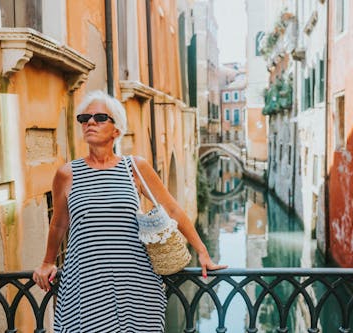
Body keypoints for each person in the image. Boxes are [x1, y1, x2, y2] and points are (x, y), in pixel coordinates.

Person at [33, 90, 226, 332]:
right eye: (84, 118)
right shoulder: (67, 174)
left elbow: (173, 210)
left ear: (117, 130)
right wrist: (48, 261)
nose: (90, 122)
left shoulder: (135, 167)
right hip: (86, 282)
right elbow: (59, 223)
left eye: (100, 117)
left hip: (136, 281)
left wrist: (203, 252)